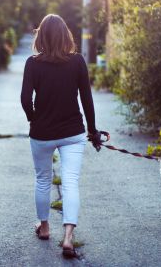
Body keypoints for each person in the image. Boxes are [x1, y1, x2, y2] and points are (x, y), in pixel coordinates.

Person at [20, 14, 106, 258]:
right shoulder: (77, 62)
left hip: (42, 133)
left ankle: (45, 227)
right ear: (66, 36)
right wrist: (93, 131)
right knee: (70, 182)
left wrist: (34, 118)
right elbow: (86, 100)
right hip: (72, 133)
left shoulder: (33, 63)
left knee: (43, 180)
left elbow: (26, 99)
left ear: (41, 37)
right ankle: (68, 237)